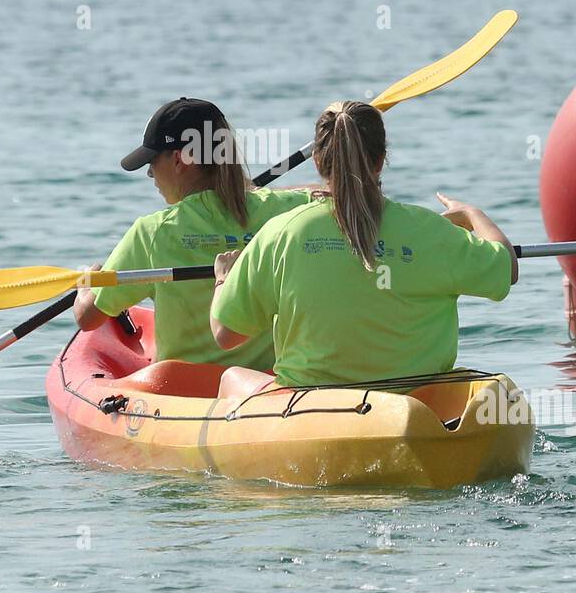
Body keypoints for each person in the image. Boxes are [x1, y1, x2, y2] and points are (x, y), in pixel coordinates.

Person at [210, 100, 517, 397]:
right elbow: (507, 267)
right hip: (418, 404)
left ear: (317, 161)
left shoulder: (281, 233)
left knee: (231, 378)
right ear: (381, 160)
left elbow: (226, 335)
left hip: (314, 406)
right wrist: (472, 214)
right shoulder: (432, 230)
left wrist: (224, 279)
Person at [74, 97, 314, 369]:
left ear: (179, 160)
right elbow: (328, 194)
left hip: (183, 391)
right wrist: (263, 196)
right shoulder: (282, 212)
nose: (150, 174)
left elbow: (89, 318)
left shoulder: (152, 232)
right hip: (260, 389)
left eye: (152, 161)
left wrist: (87, 284)